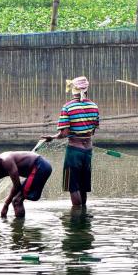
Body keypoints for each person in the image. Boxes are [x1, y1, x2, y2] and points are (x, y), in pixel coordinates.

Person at [44, 76, 100, 208]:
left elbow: (64, 133)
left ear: (73, 90)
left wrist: (52, 137)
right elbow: (93, 131)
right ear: (86, 90)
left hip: (74, 150)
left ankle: (76, 218)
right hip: (88, 151)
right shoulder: (94, 106)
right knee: (83, 186)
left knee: (72, 186)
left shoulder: (68, 107)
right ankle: (83, 216)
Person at [0, 148, 53, 218]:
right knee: (18, 199)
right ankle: (19, 227)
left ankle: (19, 229)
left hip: (40, 165)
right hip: (35, 171)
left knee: (17, 200)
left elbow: (17, 186)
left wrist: (6, 205)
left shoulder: (6, 160)